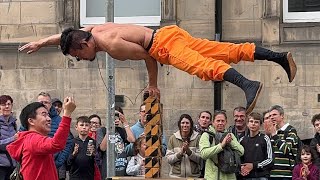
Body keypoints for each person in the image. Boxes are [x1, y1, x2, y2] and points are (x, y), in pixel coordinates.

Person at [18, 23, 297, 114]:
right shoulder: (90, 31)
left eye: (77, 56)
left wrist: (153, 84)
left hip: (161, 46)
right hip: (169, 33)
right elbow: (66, 35)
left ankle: (248, 85)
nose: (81, 60)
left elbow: (148, 57)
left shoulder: (112, 45)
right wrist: (42, 42)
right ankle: (279, 57)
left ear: (83, 46)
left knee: (203, 67)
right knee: (226, 50)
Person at [6, 97, 76, 180]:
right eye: (44, 115)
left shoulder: (29, 138)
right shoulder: (32, 139)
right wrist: (67, 114)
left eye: (48, 115)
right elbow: (56, 144)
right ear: (31, 121)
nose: (49, 119)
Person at [37, 92, 74, 180]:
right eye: (41, 102)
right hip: (35, 163)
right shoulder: (30, 118)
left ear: (50, 104)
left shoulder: (59, 120)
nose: (43, 104)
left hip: (53, 164)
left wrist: (59, 161)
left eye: (46, 102)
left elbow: (68, 142)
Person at [199, 110, 244, 180]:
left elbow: (241, 151)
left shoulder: (230, 135)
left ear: (226, 122)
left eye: (222, 121)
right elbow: (203, 154)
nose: (220, 123)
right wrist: (221, 145)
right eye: (218, 121)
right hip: (212, 177)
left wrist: (230, 142)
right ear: (213, 122)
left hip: (229, 177)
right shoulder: (206, 135)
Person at [96, 106, 135, 178]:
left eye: (117, 116)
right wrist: (110, 126)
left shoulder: (121, 131)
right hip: (108, 170)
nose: (116, 119)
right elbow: (102, 148)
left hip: (122, 169)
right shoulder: (102, 130)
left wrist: (125, 122)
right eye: (114, 116)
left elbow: (132, 140)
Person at [264, 105, 299, 180]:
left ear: (282, 116)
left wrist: (274, 135)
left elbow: (286, 149)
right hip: (271, 174)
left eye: (274, 115)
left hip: (286, 175)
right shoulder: (272, 131)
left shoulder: (291, 130)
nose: (272, 117)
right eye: (270, 116)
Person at [239, 112, 273, 180]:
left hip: (261, 176)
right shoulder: (242, 140)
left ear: (260, 125)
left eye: (256, 122)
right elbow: (238, 158)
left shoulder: (265, 138)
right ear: (247, 124)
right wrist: (241, 167)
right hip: (246, 176)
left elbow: (270, 159)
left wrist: (254, 165)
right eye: (251, 121)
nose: (253, 124)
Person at [0, 95, 18, 180]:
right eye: (3, 104)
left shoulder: (13, 123)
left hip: (12, 165)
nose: (7, 106)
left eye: (9, 104)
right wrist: (13, 139)